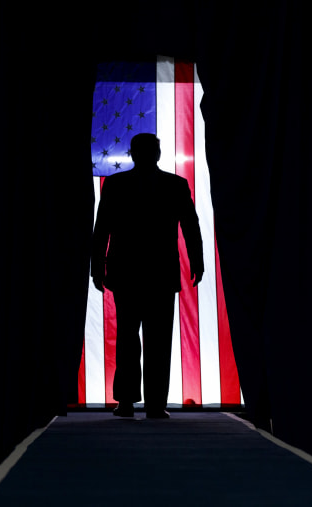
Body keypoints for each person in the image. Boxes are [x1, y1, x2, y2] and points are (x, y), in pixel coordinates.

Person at [91, 133, 204, 419]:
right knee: (158, 340)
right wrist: (197, 261)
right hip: (160, 274)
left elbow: (101, 228)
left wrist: (97, 267)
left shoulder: (116, 184)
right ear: (158, 154)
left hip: (126, 272)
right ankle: (154, 404)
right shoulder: (175, 185)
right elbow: (191, 226)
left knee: (128, 339)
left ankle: (127, 402)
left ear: (131, 154)